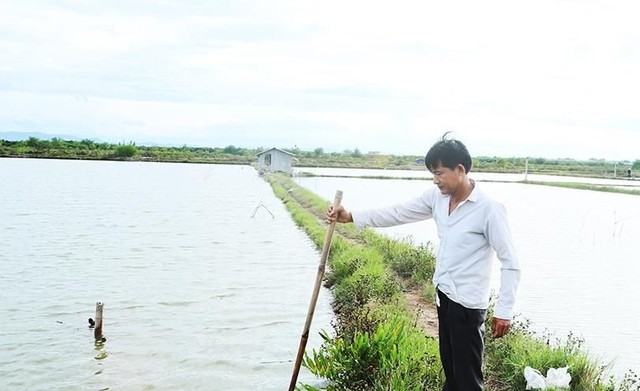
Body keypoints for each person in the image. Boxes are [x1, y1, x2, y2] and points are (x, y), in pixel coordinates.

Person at [326, 132, 521, 390]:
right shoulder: (436, 199)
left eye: (439, 173)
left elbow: (511, 262)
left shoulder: (488, 209)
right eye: (433, 173)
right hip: (444, 297)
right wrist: (352, 216)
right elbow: (397, 212)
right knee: (451, 375)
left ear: (460, 170)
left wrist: (504, 311)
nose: (435, 180)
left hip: (468, 306)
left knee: (468, 381)